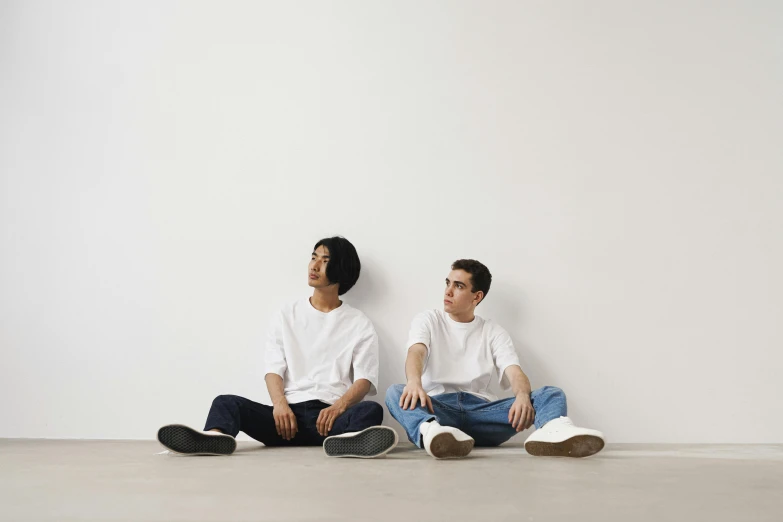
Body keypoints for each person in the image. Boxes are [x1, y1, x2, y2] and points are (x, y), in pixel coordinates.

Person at [157, 236, 397, 458]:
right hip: (285, 420)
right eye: (313, 257)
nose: (314, 266)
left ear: (342, 269)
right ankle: (215, 438)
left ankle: (346, 441)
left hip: (329, 419)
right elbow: (273, 368)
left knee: (370, 410)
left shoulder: (358, 323)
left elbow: (364, 380)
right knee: (226, 402)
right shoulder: (287, 314)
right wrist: (280, 405)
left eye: (325, 261)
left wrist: (338, 408)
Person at [385, 259, 604, 459]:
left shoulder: (493, 331)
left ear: (476, 296)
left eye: (458, 286)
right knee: (395, 391)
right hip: (440, 409)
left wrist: (522, 396)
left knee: (551, 394)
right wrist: (414, 383)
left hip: (483, 414)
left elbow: (514, 372)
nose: (448, 291)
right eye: (448, 283)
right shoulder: (429, 319)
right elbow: (416, 353)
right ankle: (433, 433)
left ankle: (553, 430)